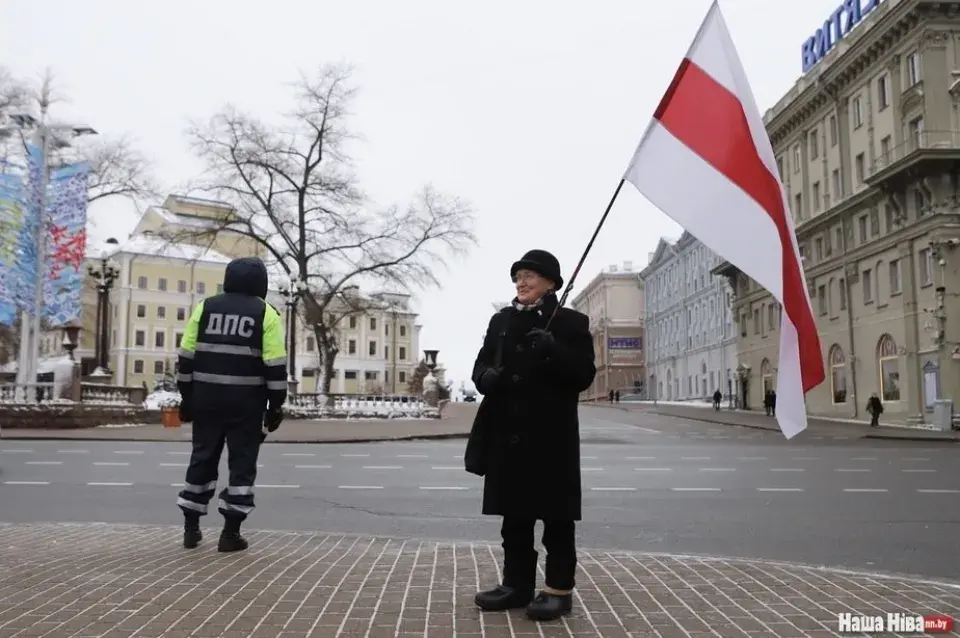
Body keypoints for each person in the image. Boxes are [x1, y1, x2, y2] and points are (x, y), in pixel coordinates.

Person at [468, 249, 596, 622]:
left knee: (556, 519)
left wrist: (553, 350)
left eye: (530, 276)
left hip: (550, 438)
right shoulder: (501, 320)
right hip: (508, 434)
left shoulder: (571, 323)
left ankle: (558, 591)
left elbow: (584, 376)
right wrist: (483, 379)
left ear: (551, 282)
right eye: (518, 276)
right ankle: (517, 585)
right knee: (515, 518)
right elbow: (482, 361)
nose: (521, 282)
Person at [175, 256, 288, 552]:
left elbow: (186, 356)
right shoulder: (267, 314)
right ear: (261, 284)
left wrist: (186, 396)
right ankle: (230, 534)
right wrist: (276, 406)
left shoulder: (206, 307)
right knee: (242, 465)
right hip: (246, 405)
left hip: (206, 401)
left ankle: (191, 528)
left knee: (202, 458)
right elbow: (275, 365)